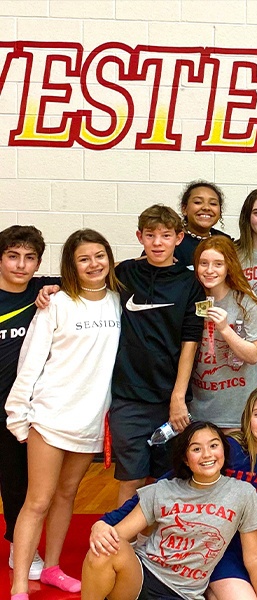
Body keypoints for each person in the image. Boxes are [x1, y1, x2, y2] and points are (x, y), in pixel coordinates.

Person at [92, 385, 257, 600]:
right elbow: (162, 488)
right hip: (219, 549)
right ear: (247, 419)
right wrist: (109, 520)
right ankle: (212, 590)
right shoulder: (225, 449)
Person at [6, 230, 121, 597]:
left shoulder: (119, 303)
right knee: (37, 500)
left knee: (66, 496)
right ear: (71, 265)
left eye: (99, 255)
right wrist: (17, 414)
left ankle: (52, 567)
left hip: (89, 420)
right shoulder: (56, 303)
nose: (93, 264)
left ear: (109, 258)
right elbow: (30, 362)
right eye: (83, 258)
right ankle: (20, 584)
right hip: (50, 416)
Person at [81, 421, 257, 600]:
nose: (206, 454)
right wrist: (101, 528)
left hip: (183, 593)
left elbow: (254, 556)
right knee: (104, 550)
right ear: (186, 459)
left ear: (224, 450)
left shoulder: (243, 493)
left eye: (213, 445)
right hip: (140, 576)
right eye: (196, 449)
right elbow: (117, 536)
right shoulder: (163, 489)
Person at [111, 205, 205, 505]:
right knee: (132, 478)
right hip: (129, 397)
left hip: (170, 401)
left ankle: (158, 547)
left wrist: (178, 397)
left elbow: (191, 341)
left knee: (168, 480)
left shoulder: (191, 283)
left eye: (166, 235)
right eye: (150, 235)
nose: (157, 242)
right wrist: (46, 288)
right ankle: (122, 546)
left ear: (179, 238)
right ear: (140, 236)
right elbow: (84, 283)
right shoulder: (125, 273)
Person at [0, 225, 58, 579]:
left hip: (18, 409)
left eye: (29, 258)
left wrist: (54, 287)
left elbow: (87, 274)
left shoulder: (45, 289)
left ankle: (17, 546)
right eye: (12, 256)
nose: (21, 265)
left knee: (17, 482)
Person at [191, 236, 257, 430]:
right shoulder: (190, 299)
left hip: (235, 414)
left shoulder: (245, 303)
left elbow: (253, 355)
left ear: (229, 266)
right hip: (196, 411)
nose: (210, 270)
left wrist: (225, 329)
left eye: (218, 264)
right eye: (204, 263)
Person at [174, 180, 231, 268]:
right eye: (198, 202)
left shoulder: (225, 241)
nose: (206, 207)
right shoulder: (171, 241)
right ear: (184, 209)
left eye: (213, 203)